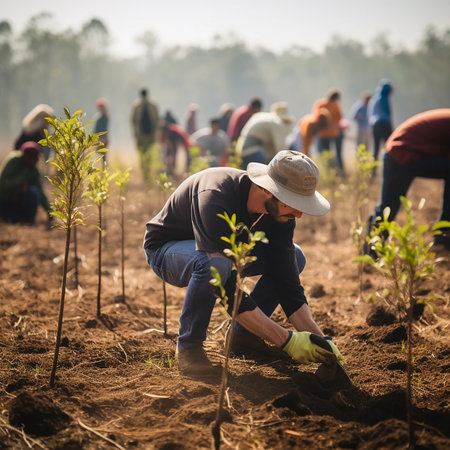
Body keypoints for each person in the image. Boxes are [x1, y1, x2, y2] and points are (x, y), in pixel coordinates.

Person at [143, 150, 344, 376]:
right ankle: (189, 348)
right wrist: (285, 340)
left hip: (223, 255)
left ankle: (244, 337)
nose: (299, 214)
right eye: (294, 203)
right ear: (268, 190)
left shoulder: (281, 214)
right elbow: (224, 286)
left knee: (295, 258)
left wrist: (321, 342)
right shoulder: (216, 194)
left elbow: (287, 282)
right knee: (213, 266)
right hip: (167, 250)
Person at [366, 108, 450, 249]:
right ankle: (373, 245)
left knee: (388, 205)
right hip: (400, 151)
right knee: (388, 207)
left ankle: (444, 231)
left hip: (400, 151)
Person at [0, 141, 52, 225]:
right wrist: (21, 179)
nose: (33, 160)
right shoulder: (13, 161)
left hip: (20, 202)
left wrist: (49, 211)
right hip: (5, 201)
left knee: (33, 192)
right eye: (30, 157)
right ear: (24, 155)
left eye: (34, 158)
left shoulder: (34, 170)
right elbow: (4, 184)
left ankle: (28, 221)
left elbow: (40, 192)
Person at [236, 102, 295, 168]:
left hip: (241, 150)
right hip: (254, 152)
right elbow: (281, 149)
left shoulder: (263, 117)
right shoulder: (277, 122)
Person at [312, 89, 345, 174]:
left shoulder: (320, 104)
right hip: (332, 133)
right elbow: (339, 119)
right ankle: (338, 171)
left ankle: (328, 172)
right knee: (335, 154)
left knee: (325, 154)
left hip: (324, 133)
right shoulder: (334, 105)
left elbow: (315, 117)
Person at [131, 88, 159, 172]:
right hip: (150, 134)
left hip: (141, 134)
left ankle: (145, 169)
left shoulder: (136, 105)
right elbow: (157, 119)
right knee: (148, 151)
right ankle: (147, 169)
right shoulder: (153, 105)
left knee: (142, 151)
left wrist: (135, 132)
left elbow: (133, 120)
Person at [368, 79, 394, 173]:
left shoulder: (374, 98)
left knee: (376, 148)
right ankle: (389, 170)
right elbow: (388, 114)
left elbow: (370, 114)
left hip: (375, 125)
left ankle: (373, 172)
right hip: (384, 124)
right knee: (389, 148)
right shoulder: (385, 98)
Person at [93, 98, 109, 163]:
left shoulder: (103, 118)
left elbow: (104, 129)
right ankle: (103, 169)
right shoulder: (101, 117)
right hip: (99, 138)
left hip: (102, 139)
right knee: (100, 154)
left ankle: (104, 169)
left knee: (102, 155)